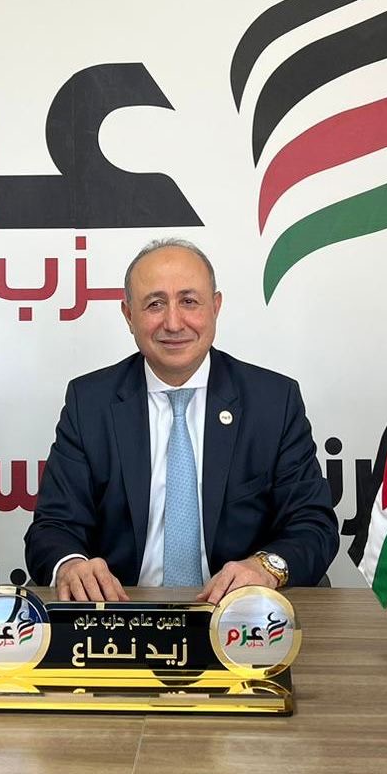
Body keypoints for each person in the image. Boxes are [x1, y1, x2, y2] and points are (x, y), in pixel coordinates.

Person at [24, 239, 338, 603]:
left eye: (189, 301)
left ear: (215, 307)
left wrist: (265, 567)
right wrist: (70, 565)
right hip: (121, 612)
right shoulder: (90, 402)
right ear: (128, 315)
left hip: (238, 614)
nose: (173, 323)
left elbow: (312, 524)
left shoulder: (273, 401)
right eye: (154, 304)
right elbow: (53, 526)